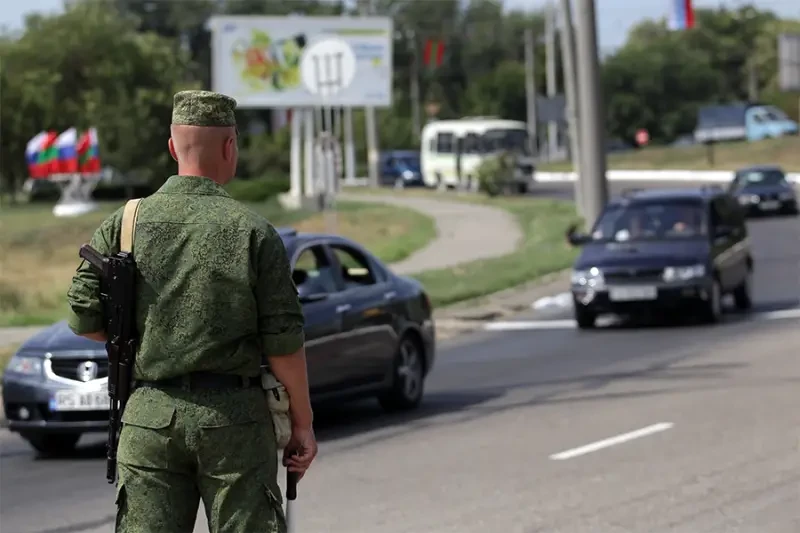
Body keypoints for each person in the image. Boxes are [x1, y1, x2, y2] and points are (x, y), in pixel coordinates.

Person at [66, 90, 317, 533]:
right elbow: (283, 343)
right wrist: (303, 423)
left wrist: (146, 342)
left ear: (171, 148)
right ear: (230, 146)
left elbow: (83, 317)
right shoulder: (254, 232)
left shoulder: (125, 222)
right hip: (234, 422)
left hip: (148, 418)